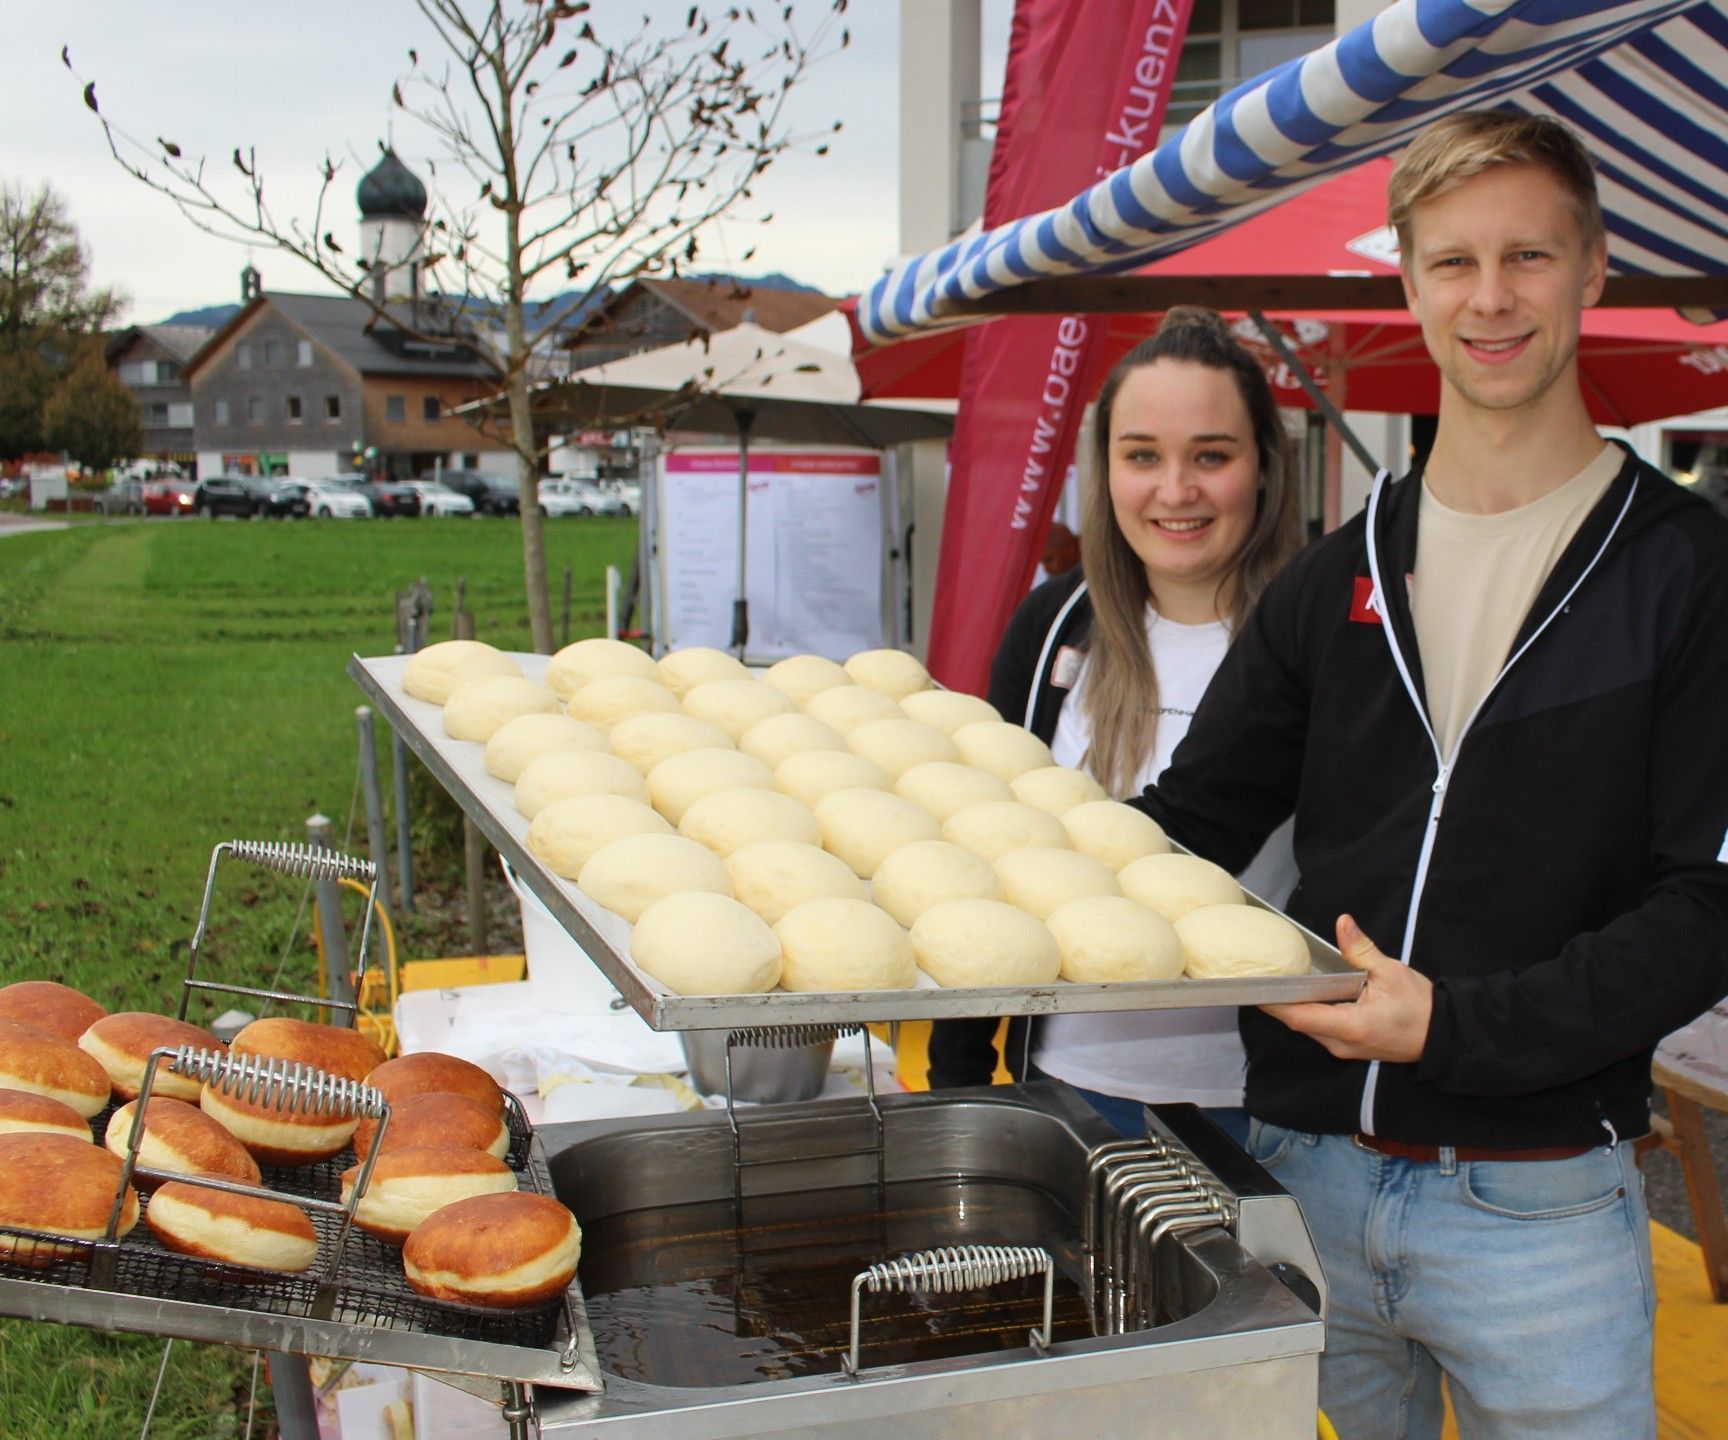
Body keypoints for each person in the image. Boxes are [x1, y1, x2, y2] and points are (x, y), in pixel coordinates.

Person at [1133, 112, 1728, 1440]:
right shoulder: (1335, 572)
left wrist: (1452, 1028)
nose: (1490, 296)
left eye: (1529, 255)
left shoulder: (1685, 572)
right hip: (1304, 1185)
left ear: (1595, 266)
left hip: (1540, 1210)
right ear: (1407, 283)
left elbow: (1706, 908)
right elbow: (1185, 823)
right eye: (1453, 261)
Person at [927, 306, 1303, 1144]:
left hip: (1267, 1110)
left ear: (1265, 468)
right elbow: (984, 855)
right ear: (1104, 471)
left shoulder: (1316, 643)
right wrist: (961, 1077)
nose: (1176, 490)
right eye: (1142, 456)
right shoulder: (1051, 627)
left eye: (1212, 455)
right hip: (1067, 1091)